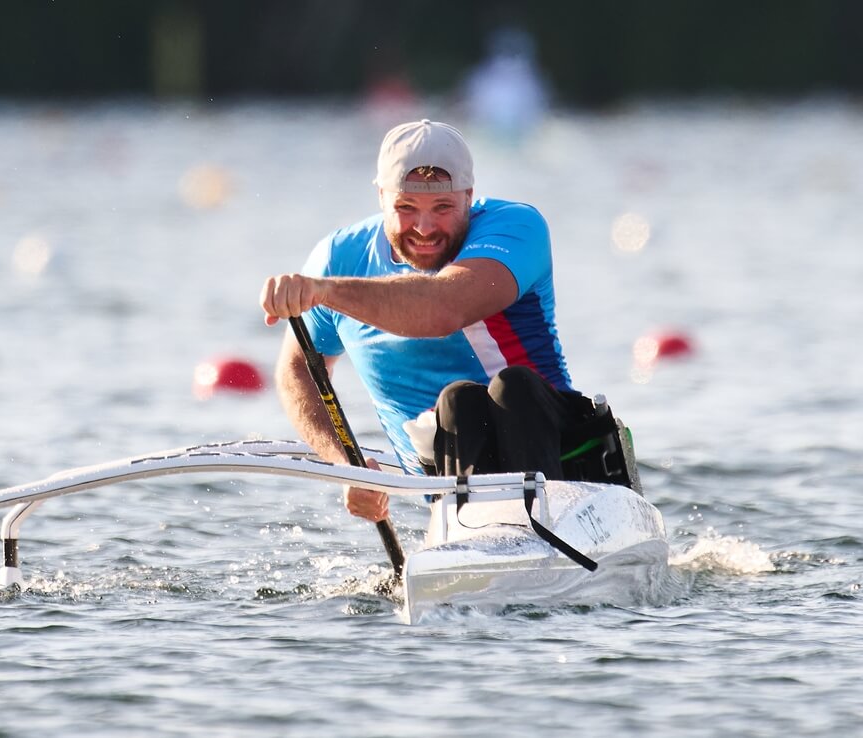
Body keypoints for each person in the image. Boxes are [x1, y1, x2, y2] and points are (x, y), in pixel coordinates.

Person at [259, 119, 633, 524]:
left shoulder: (516, 228)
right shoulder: (339, 257)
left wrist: (326, 292)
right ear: (381, 196)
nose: (424, 228)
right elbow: (296, 369)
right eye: (405, 208)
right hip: (449, 482)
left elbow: (442, 311)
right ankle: (479, 535)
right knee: (457, 404)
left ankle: (531, 529)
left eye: (442, 208)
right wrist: (345, 462)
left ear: (469, 197)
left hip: (568, 469)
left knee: (509, 387)